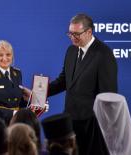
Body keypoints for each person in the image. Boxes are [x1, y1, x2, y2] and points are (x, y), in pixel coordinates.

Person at [47, 13, 117, 155]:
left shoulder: (104, 54)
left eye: (76, 34)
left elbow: (108, 95)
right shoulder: (71, 50)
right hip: (70, 121)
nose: (72, 37)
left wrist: (102, 127)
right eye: (70, 34)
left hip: (92, 124)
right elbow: (64, 81)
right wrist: (39, 93)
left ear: (89, 32)